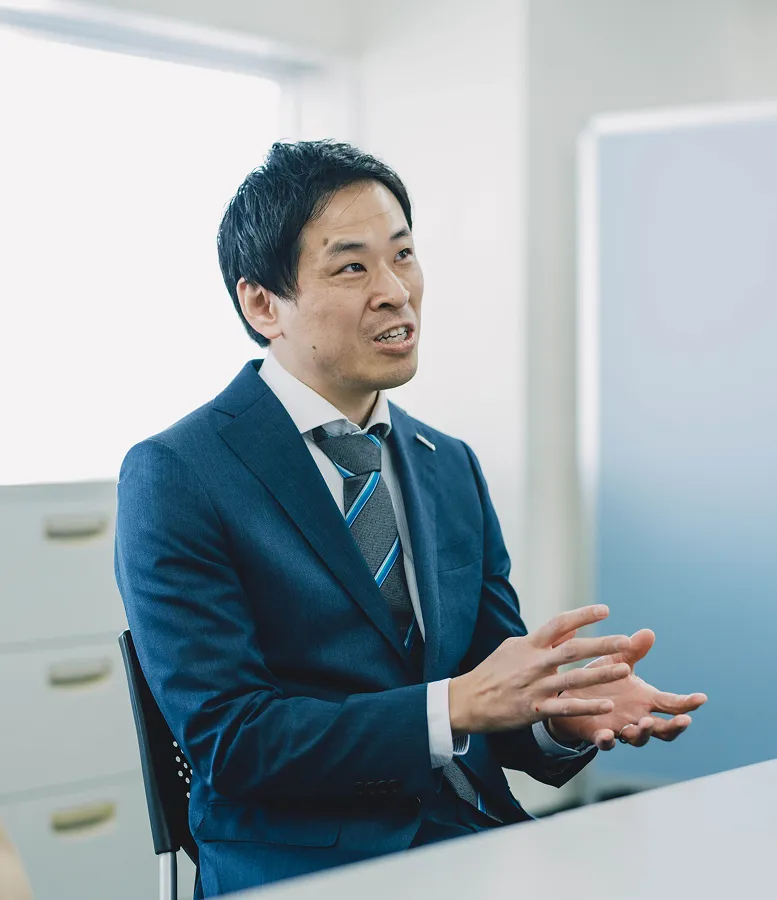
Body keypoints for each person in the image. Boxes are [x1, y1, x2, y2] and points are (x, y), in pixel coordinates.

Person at [114, 140, 707, 897]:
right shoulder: (178, 473)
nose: (395, 291)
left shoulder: (447, 463)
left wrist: (562, 714)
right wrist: (453, 706)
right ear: (262, 304)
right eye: (351, 267)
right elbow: (233, 742)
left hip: (476, 841)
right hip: (305, 866)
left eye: (403, 255)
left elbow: (492, 685)